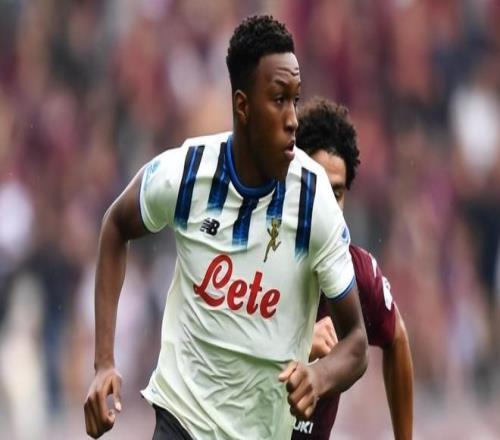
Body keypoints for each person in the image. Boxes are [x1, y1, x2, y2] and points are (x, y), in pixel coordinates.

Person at [84, 15, 368, 440]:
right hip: (182, 420)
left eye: (295, 100)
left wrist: (321, 376)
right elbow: (115, 225)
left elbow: (357, 343)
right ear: (242, 105)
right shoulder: (188, 172)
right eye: (279, 100)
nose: (293, 119)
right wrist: (104, 362)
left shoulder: (315, 201)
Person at [292, 98, 414, 440]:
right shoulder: (258, 252)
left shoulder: (357, 274)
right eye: (317, 188)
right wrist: (299, 343)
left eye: (337, 193)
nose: (329, 207)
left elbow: (397, 338)